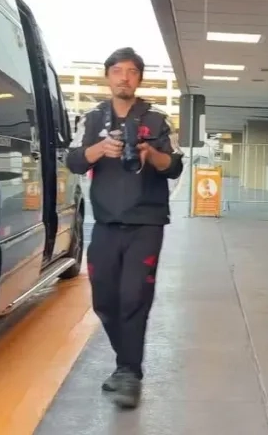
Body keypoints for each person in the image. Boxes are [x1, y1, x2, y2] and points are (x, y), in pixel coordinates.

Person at [65, 47, 183, 409]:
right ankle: (125, 365)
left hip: (146, 222)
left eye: (132, 72)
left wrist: (150, 154)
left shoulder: (158, 120)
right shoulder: (91, 118)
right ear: (108, 76)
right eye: (118, 71)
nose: (124, 77)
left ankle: (128, 371)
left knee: (134, 297)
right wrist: (100, 149)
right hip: (104, 223)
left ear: (139, 79)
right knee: (104, 299)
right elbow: (72, 159)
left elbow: (174, 166)